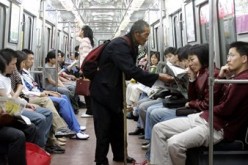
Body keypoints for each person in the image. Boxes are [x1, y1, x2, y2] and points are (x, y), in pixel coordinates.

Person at [90, 19, 174, 165]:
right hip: (103, 92)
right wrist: (158, 76)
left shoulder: (131, 45)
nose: (147, 38)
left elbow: (128, 71)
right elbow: (130, 70)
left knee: (118, 126)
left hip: (113, 91)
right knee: (103, 129)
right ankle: (100, 160)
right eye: (146, 35)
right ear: (136, 33)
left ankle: (120, 155)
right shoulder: (120, 45)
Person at [150, 41, 248, 165]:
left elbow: (225, 109)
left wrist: (206, 108)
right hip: (206, 118)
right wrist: (220, 79)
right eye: (227, 55)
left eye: (232, 55)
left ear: (244, 58)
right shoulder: (232, 78)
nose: (228, 59)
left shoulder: (242, 82)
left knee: (174, 144)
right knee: (158, 129)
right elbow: (207, 101)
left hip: (218, 127)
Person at [78, 25, 94, 118]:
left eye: (80, 30)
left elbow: (85, 56)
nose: (79, 32)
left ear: (83, 31)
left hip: (86, 68)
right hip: (89, 68)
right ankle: (90, 110)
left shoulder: (84, 41)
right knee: (88, 89)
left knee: (86, 89)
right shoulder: (88, 40)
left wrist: (82, 69)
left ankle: (90, 111)